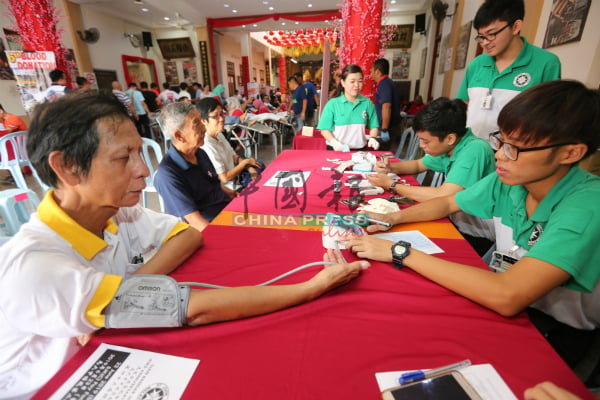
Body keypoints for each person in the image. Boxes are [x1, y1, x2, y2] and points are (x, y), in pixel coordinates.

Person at [0, 92, 368, 399]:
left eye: (140, 154)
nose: (143, 171)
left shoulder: (118, 213)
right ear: (66, 168)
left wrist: (127, 290)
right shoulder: (37, 266)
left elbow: (189, 235)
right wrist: (311, 287)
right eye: (122, 158)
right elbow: (196, 309)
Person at [347, 80, 600, 371]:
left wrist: (400, 252)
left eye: (516, 148)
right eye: (501, 141)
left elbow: (508, 295)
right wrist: (390, 219)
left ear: (570, 153)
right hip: (506, 306)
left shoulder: (587, 204)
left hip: (556, 332)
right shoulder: (511, 181)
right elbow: (447, 203)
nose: (500, 155)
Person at [366, 97, 496, 255]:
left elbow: (444, 197)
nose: (421, 145)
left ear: (450, 138)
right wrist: (390, 167)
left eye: (425, 141)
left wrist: (392, 185)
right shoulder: (450, 145)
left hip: (476, 233)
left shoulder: (474, 150)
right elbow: (418, 165)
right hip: (457, 220)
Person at [457, 0, 561, 139]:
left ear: (515, 27)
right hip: (471, 149)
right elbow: (462, 106)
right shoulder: (476, 64)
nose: (485, 42)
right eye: (481, 37)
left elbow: (549, 118)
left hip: (510, 154)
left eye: (491, 34)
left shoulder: (546, 63)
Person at [154, 102, 234, 232]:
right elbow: (197, 223)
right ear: (179, 136)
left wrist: (236, 196)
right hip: (212, 226)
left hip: (227, 212)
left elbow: (213, 186)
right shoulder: (168, 175)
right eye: (196, 124)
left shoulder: (199, 153)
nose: (204, 127)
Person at [199, 98, 263, 192]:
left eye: (221, 114)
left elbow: (234, 156)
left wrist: (249, 168)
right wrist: (245, 163)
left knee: (260, 167)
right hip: (229, 189)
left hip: (238, 178)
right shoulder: (206, 144)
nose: (221, 119)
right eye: (215, 116)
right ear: (204, 120)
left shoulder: (219, 134)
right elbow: (224, 178)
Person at [316, 64, 380, 151]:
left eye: (360, 81)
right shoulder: (333, 104)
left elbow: (374, 126)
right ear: (343, 82)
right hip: (337, 149)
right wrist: (334, 142)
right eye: (352, 81)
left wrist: (373, 138)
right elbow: (324, 129)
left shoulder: (367, 103)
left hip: (360, 150)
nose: (357, 85)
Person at [371, 58, 401, 146]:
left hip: (388, 128)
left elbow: (386, 106)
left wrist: (384, 129)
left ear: (377, 71)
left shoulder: (384, 84)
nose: (370, 74)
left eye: (372, 71)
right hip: (389, 126)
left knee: (380, 153)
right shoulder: (387, 82)